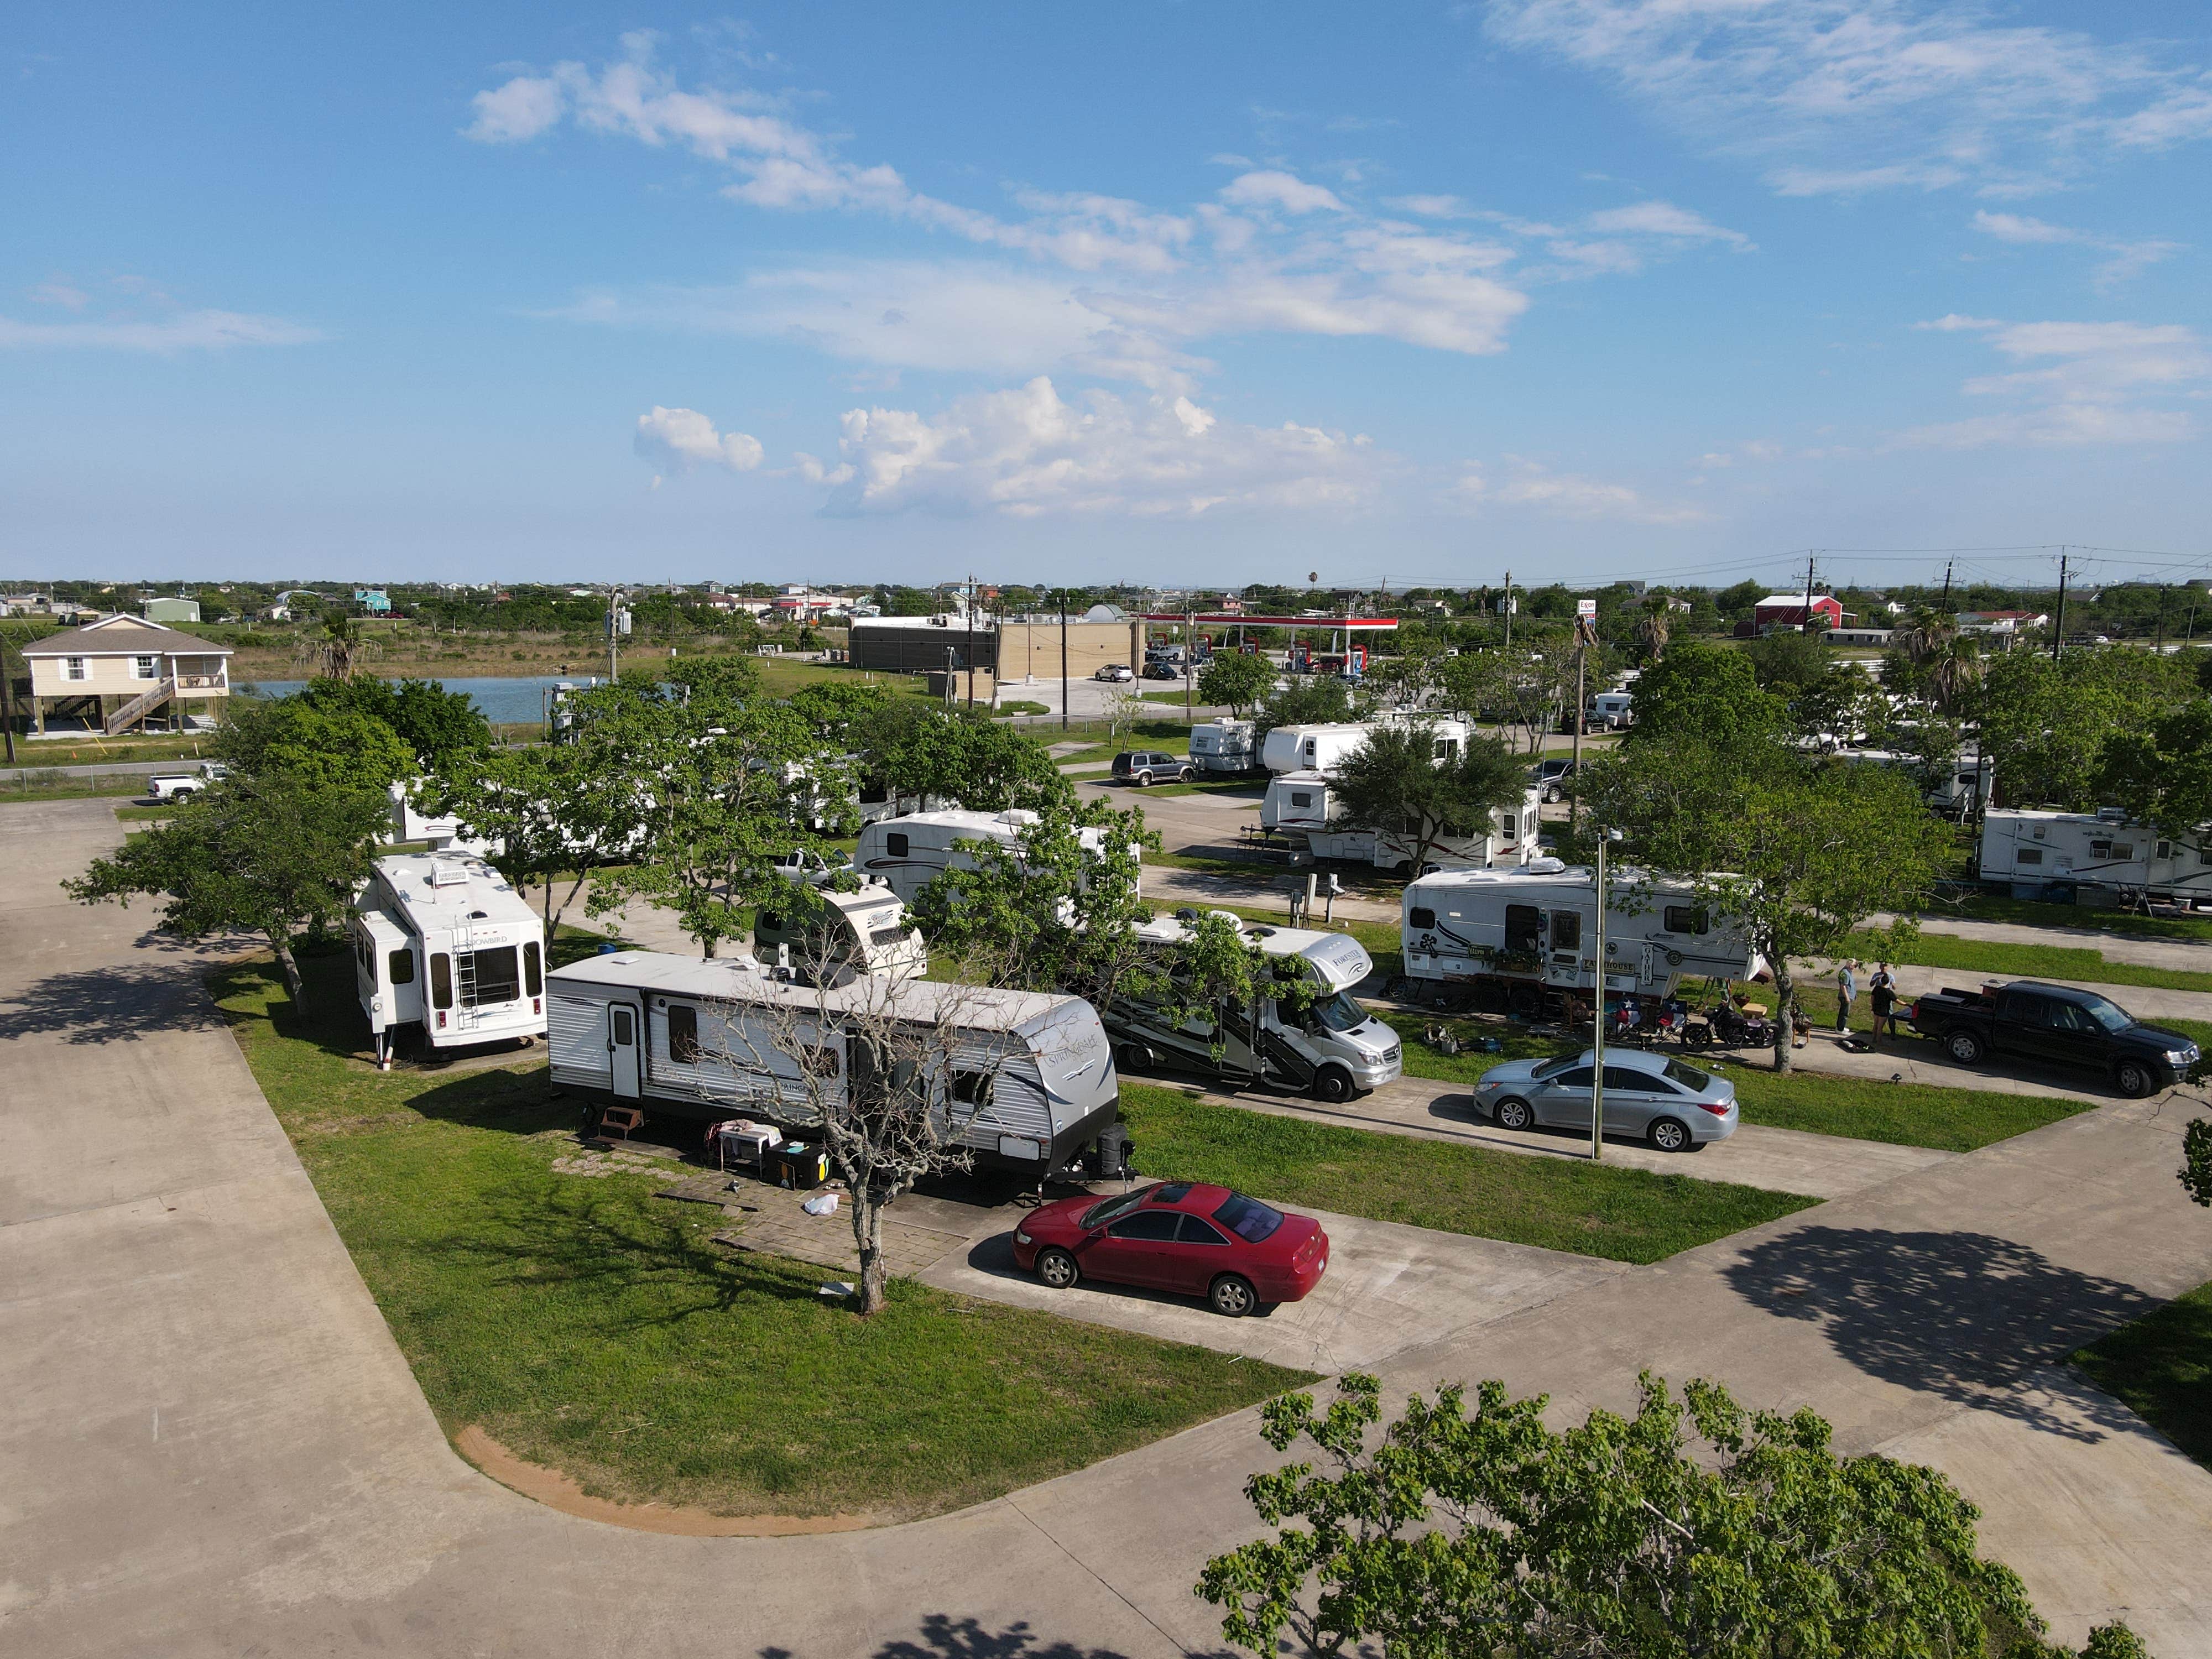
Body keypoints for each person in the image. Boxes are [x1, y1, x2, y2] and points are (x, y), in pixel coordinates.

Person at [1869, 962, 1898, 1039]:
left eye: (1885, 969)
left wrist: (1892, 983)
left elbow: (1895, 987)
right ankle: (1875, 1037)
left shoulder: (1890, 976)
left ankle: (1893, 1032)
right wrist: (1876, 979)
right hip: (1878, 996)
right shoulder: (1877, 975)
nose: (1883, 970)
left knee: (1890, 1014)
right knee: (1877, 1018)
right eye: (1882, 969)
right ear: (1880, 968)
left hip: (1886, 996)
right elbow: (1871, 985)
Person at [1835, 962, 1858, 1034]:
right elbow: (1843, 986)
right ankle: (1840, 1029)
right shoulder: (1845, 973)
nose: (1854, 968)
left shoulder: (1848, 972)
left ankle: (1841, 1026)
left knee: (1844, 1012)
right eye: (1854, 966)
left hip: (1849, 995)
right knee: (1844, 1013)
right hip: (1845, 996)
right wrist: (1847, 997)